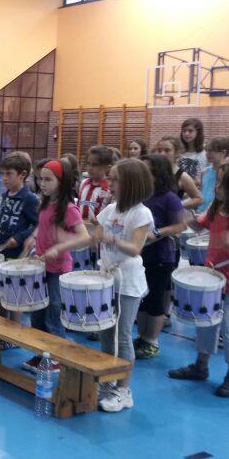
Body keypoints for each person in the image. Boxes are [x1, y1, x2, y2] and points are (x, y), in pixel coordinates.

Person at [170, 161, 229, 397]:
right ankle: (201, 365)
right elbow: (199, 226)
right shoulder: (217, 207)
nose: (217, 186)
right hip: (212, 278)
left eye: (223, 183)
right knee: (205, 325)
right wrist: (185, 217)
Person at [78, 159, 154, 412]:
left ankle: (124, 390)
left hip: (128, 281)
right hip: (107, 279)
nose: (109, 183)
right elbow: (95, 235)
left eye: (114, 179)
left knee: (122, 335)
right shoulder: (110, 209)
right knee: (106, 332)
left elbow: (135, 248)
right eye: (109, 178)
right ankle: (108, 380)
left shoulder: (141, 213)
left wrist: (111, 238)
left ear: (130, 183)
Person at [21, 159, 89, 373]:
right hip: (40, 267)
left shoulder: (69, 209)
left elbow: (84, 237)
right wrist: (33, 238)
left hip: (57, 270)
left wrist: (59, 248)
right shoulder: (44, 203)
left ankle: (56, 358)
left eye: (48, 179)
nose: (42, 183)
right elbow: (43, 226)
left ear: (62, 181)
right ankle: (41, 354)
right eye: (40, 179)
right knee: (37, 314)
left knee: (53, 315)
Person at [134, 154, 186, 359]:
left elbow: (181, 225)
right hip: (141, 255)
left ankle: (152, 341)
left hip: (161, 256)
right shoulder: (141, 195)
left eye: (147, 170)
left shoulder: (170, 198)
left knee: (155, 300)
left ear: (159, 173)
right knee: (142, 298)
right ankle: (142, 337)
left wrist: (157, 233)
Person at [0, 153, 39, 323]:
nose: (4, 178)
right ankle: (1, 324)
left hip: (17, 254)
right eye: (3, 174)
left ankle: (14, 329)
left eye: (9, 174)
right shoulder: (6, 195)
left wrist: (19, 238)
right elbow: (3, 218)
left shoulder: (29, 199)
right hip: (1, 250)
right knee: (1, 290)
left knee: (14, 293)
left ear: (22, 174)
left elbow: (38, 224)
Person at [154, 136, 202, 210]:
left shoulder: (182, 176)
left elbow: (198, 199)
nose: (162, 154)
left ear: (176, 153)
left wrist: (178, 205)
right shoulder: (152, 172)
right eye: (159, 150)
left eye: (167, 150)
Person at [200, 137, 229, 212]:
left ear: (223, 152)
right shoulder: (204, 172)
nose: (207, 154)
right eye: (206, 150)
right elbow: (202, 192)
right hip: (201, 211)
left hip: (217, 211)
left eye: (211, 151)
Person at [178, 118, 207, 185]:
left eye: (190, 131)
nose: (186, 133)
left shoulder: (206, 152)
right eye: (184, 131)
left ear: (198, 132)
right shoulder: (178, 151)